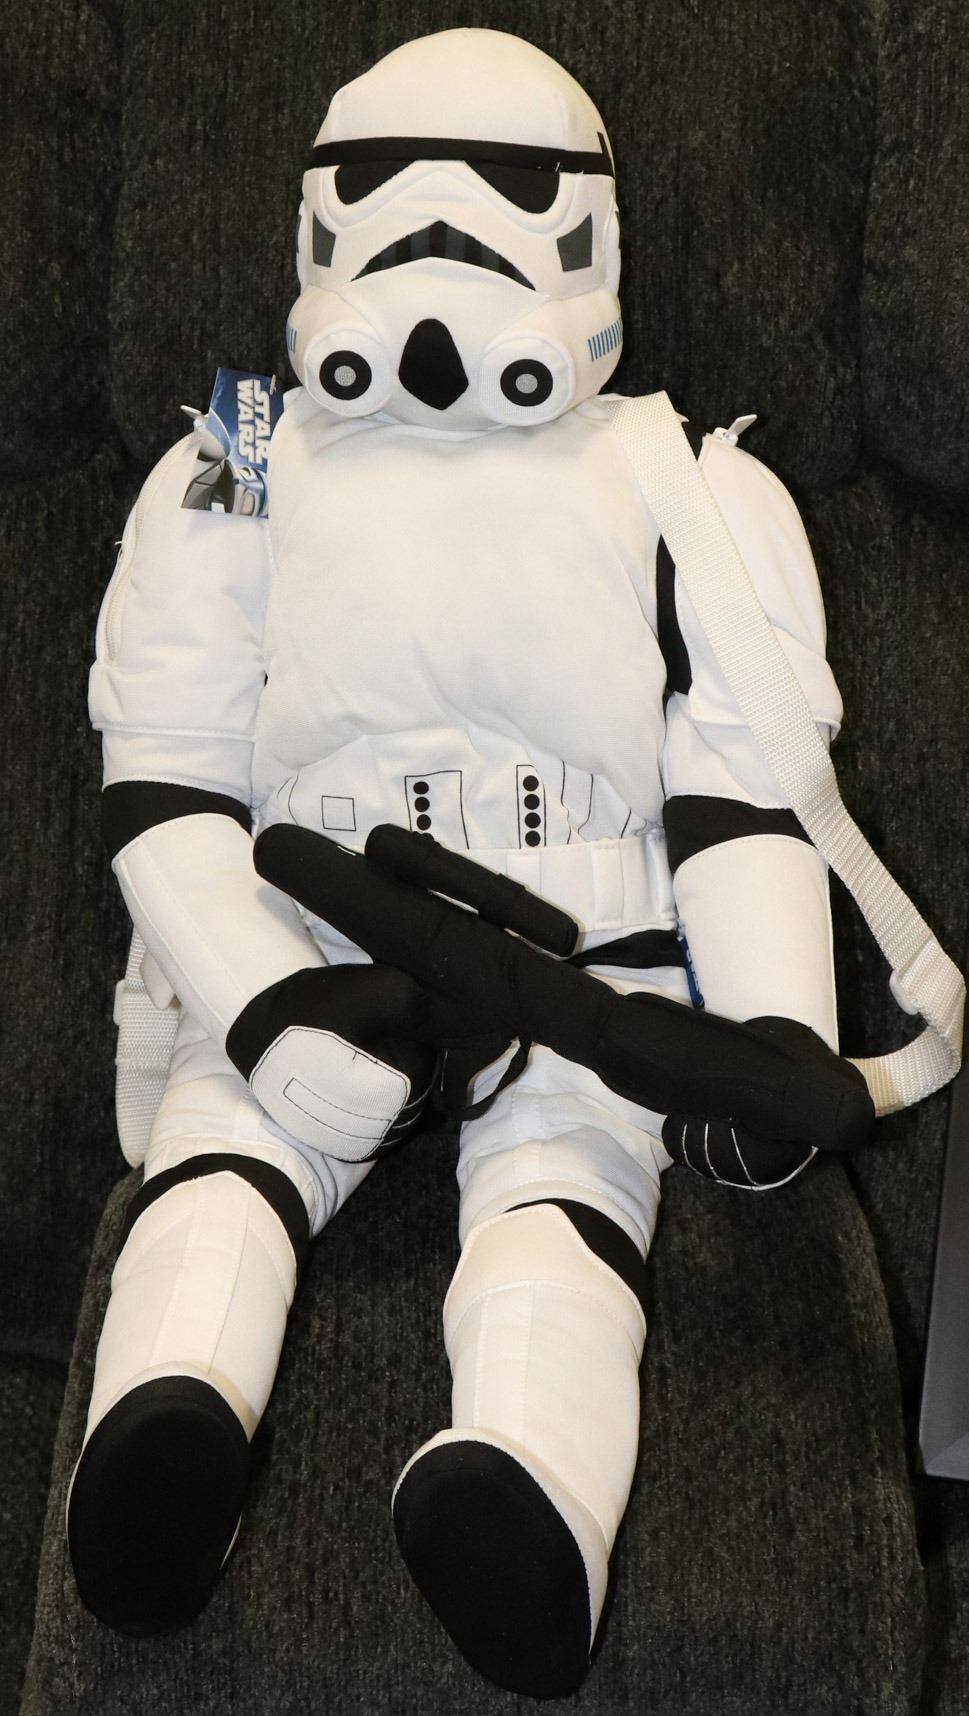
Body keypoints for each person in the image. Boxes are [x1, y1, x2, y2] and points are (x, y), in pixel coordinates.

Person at [69, 28, 854, 1697]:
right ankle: (159, 1443)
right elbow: (165, 781)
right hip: (304, 941)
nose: (441, 258)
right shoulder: (239, 456)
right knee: (225, 1160)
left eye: (495, 203)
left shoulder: (683, 483)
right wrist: (266, 1007)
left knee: (559, 1200)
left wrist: (773, 1037)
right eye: (392, 201)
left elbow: (743, 801)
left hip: (579, 969)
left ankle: (524, 1501)